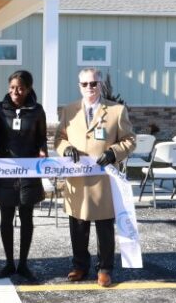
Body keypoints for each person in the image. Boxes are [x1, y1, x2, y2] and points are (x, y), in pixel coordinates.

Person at [54, 67, 135, 287]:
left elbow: (129, 140)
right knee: (78, 226)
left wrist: (113, 153)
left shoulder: (116, 110)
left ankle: (105, 269)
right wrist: (66, 148)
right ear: (79, 86)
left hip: (104, 180)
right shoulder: (69, 110)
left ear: (100, 84)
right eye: (85, 84)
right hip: (78, 180)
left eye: (94, 83)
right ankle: (80, 265)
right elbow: (59, 138)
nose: (90, 88)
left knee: (104, 228)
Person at [0, 70, 47, 283]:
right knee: (5, 218)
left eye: (20, 88)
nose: (15, 92)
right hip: (5, 171)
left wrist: (42, 151)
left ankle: (23, 264)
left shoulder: (37, 111)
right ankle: (9, 263)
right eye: (12, 88)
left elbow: (41, 139)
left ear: (28, 88)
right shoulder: (0, 110)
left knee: (27, 217)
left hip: (28, 171)